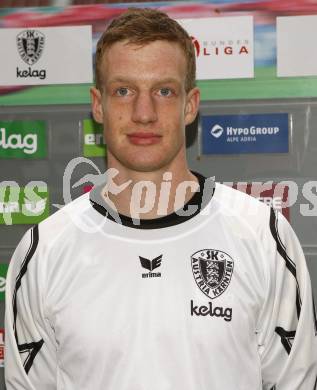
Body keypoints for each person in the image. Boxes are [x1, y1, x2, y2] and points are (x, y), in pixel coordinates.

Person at [5, 8, 317, 390]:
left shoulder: (262, 236)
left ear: (190, 105)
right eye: (124, 91)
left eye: (164, 91)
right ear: (98, 105)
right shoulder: (45, 250)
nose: (144, 113)